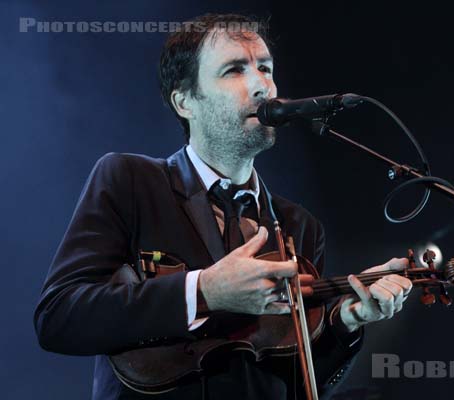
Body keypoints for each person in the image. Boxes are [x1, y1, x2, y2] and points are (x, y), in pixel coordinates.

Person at [34, 13, 413, 400]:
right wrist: (204, 291)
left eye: (265, 68)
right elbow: (59, 317)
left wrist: (345, 322)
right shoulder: (129, 180)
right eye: (234, 70)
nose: (261, 86)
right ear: (184, 102)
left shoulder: (299, 225)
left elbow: (298, 384)